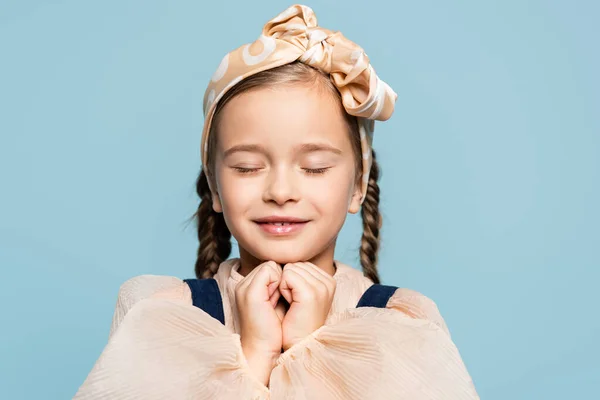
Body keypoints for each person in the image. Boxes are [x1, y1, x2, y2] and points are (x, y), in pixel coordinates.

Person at [74, 4, 479, 399]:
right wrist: (253, 356)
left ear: (358, 184)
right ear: (215, 187)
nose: (281, 191)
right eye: (248, 167)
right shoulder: (163, 315)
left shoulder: (403, 325)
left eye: (315, 167)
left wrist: (309, 347)